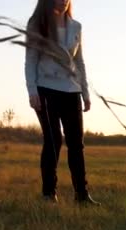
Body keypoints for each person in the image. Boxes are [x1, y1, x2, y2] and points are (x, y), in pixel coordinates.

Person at [25, 0, 99, 205]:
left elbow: (79, 61)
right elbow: (30, 59)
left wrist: (85, 92)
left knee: (76, 144)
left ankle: (82, 196)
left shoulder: (76, 26)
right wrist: (32, 90)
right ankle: (49, 194)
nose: (64, 0)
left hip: (71, 90)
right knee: (53, 141)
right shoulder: (37, 24)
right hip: (45, 89)